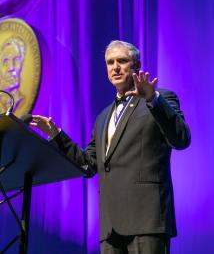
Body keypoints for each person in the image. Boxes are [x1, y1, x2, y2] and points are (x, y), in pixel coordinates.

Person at [31, 40, 191, 254]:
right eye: (110, 62)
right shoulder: (103, 117)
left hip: (146, 220)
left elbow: (181, 139)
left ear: (136, 65)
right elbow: (88, 165)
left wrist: (153, 99)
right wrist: (55, 135)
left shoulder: (160, 98)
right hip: (110, 229)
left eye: (122, 61)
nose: (115, 67)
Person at [0, 38, 25, 112]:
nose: (11, 68)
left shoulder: (21, 101)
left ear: (21, 64)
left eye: (16, 60)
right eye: (6, 61)